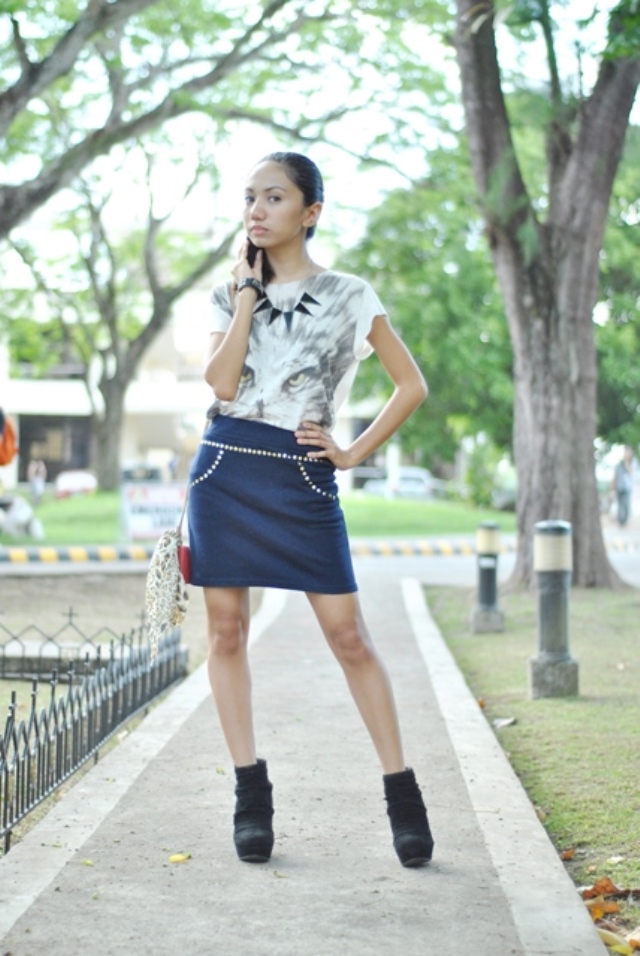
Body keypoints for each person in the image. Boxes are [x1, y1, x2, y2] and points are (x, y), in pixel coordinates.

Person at [187, 151, 433, 868]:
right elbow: (222, 383)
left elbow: (410, 385)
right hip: (226, 470)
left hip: (302, 477)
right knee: (226, 633)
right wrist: (245, 296)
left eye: (274, 197)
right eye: (249, 198)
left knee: (349, 637)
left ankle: (403, 798)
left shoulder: (349, 293)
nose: (257, 210)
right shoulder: (227, 293)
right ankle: (250, 796)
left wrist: (351, 453)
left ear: (311, 211)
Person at [612, 447, 634, 527]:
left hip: (627, 487)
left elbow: (632, 472)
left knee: (626, 504)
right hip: (619, 487)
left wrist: (627, 464)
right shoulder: (619, 464)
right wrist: (613, 489)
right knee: (620, 505)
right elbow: (615, 476)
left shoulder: (632, 463)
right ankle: (621, 522)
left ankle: (624, 521)